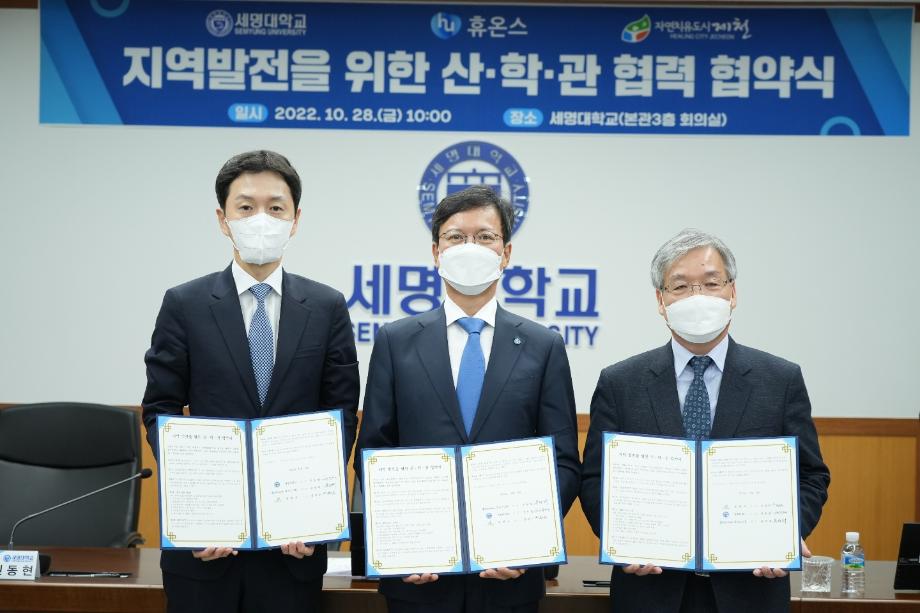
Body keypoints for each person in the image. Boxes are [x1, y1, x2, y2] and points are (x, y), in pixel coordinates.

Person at [142, 150, 360, 613]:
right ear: (223, 219)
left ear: (295, 220)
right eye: (245, 207)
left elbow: (341, 415)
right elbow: (160, 411)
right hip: (204, 551)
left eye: (276, 207)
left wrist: (314, 513)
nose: (261, 218)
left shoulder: (327, 307)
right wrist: (196, 509)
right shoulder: (184, 304)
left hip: (293, 552)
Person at [355, 185, 580, 613]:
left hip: (511, 580)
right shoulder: (395, 342)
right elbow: (373, 452)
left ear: (506, 253)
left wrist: (529, 543)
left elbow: (564, 461)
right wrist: (403, 540)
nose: (470, 247)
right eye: (456, 237)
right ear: (436, 252)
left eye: (485, 237)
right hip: (418, 579)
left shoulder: (543, 346)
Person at [580, 228, 830, 612]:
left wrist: (785, 533)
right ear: (661, 301)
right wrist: (621, 541)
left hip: (750, 591)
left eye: (711, 283)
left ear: (733, 293)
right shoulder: (620, 382)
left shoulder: (780, 380)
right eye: (680, 286)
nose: (697, 298)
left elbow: (811, 475)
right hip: (650, 591)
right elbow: (594, 479)